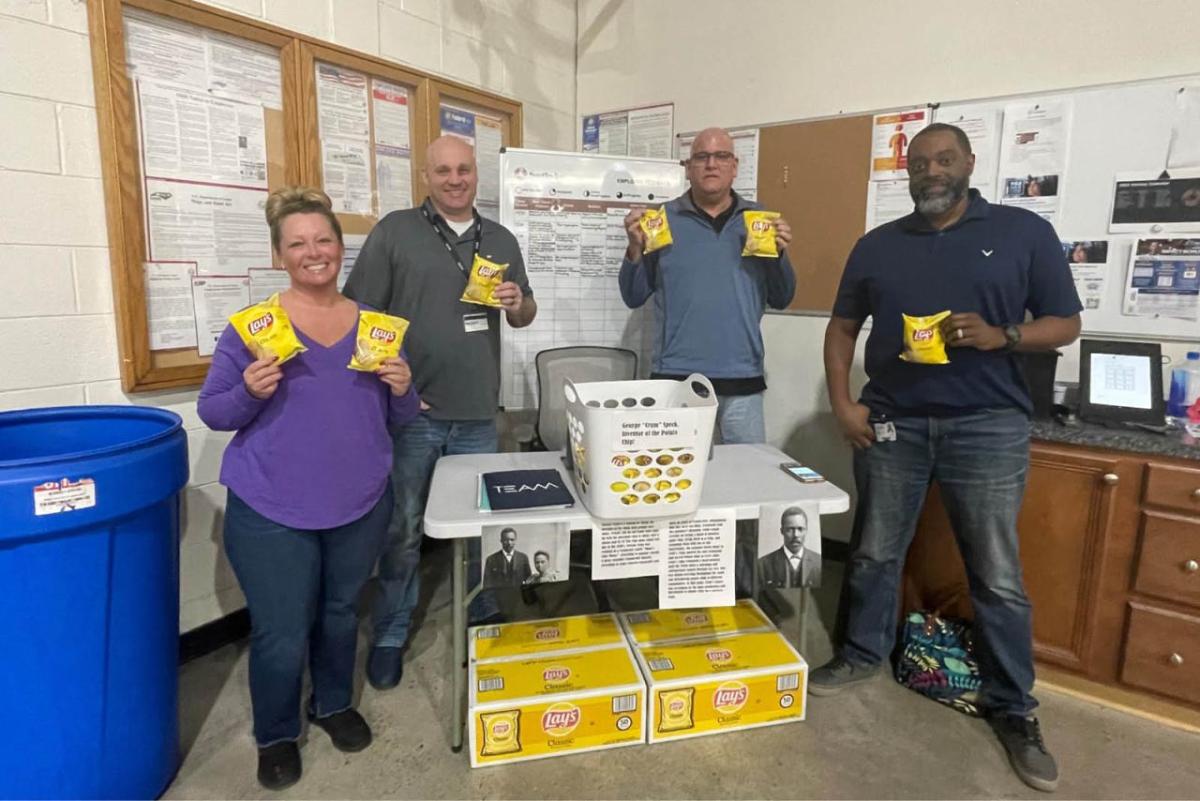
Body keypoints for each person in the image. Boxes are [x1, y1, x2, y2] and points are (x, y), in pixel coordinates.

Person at [815, 123, 1082, 793]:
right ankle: (858, 654)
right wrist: (844, 404)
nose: (931, 171)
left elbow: (1066, 322)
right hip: (893, 421)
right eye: (919, 163)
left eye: (943, 159)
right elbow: (842, 327)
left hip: (987, 426)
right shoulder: (878, 245)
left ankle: (1014, 708)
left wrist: (1003, 335)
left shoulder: (1023, 232)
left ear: (968, 163)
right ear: (907, 173)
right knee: (875, 549)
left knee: (995, 572)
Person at [197, 187, 419, 791]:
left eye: (323, 239)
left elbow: (400, 419)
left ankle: (331, 704)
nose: (312, 252)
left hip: (360, 501)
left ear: (340, 248)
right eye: (297, 243)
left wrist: (402, 388)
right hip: (272, 507)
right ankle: (275, 732)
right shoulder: (254, 330)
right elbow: (215, 411)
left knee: (343, 612)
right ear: (279, 255)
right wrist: (249, 388)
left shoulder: (376, 328)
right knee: (281, 629)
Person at [344, 134, 536, 691]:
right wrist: (396, 392)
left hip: (479, 413)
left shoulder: (498, 237)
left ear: (477, 175)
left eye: (465, 171)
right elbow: (362, 315)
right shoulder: (395, 232)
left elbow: (524, 313)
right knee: (403, 528)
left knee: (480, 526)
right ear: (426, 176)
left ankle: (480, 613)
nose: (456, 180)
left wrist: (516, 302)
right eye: (444, 171)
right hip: (415, 415)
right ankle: (391, 630)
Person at [620, 126, 795, 445]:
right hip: (676, 380)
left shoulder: (758, 221)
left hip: (743, 382)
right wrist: (634, 248)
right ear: (688, 169)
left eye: (721, 156)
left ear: (734, 166)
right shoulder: (661, 219)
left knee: (745, 482)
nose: (711, 164)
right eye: (701, 157)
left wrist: (780, 254)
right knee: (675, 482)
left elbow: (783, 298)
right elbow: (633, 296)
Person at [758, 506, 820, 589]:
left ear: (806, 530)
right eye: (790, 529)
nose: (795, 535)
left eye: (800, 529)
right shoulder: (763, 564)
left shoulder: (818, 561)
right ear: (782, 531)